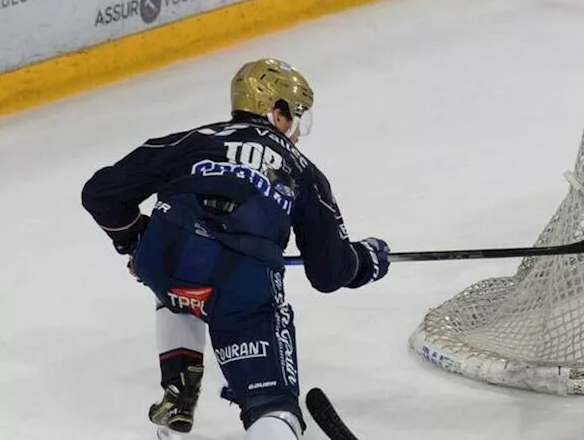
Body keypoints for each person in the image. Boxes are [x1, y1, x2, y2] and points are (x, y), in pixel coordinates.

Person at [82, 59, 391, 439]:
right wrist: (368, 260)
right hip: (242, 280)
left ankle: (178, 388)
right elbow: (329, 272)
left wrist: (137, 240)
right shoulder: (302, 170)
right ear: (275, 112)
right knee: (273, 407)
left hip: (165, 256)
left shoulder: (194, 140)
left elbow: (100, 193)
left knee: (179, 289)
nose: (297, 132)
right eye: (295, 116)